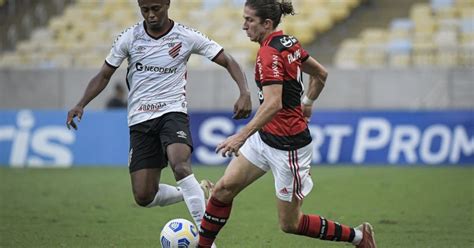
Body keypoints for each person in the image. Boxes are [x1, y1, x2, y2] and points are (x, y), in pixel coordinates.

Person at [197, 1, 377, 248]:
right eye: (244, 19)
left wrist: (241, 136)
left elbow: (273, 104)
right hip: (265, 138)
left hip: (288, 147)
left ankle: (359, 237)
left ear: (267, 23)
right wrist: (309, 101)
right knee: (222, 191)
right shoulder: (287, 42)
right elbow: (321, 73)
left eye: (250, 20)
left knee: (290, 224)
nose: (243, 26)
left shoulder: (268, 52)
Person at [66, 0, 252, 234]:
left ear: (167, 4)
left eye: (156, 8)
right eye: (145, 10)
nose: (151, 15)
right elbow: (104, 75)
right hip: (140, 120)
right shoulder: (129, 38)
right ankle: (195, 191)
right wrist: (81, 103)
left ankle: (207, 240)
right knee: (144, 196)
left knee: (180, 165)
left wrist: (244, 91)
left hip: (172, 112)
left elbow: (228, 60)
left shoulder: (186, 36)